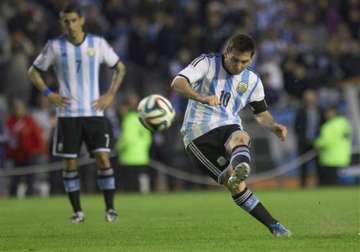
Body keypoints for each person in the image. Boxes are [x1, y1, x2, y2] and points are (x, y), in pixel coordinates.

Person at [170, 33, 291, 237]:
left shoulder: (252, 80)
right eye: (234, 60)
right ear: (227, 52)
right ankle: (235, 172)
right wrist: (201, 97)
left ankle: (275, 227)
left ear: (251, 59)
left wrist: (273, 125)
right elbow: (177, 83)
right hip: (198, 134)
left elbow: (261, 113)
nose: (238, 65)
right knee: (235, 185)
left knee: (242, 137)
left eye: (244, 61)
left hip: (228, 125)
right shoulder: (207, 63)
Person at [27, 4, 126, 223]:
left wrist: (110, 95)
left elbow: (120, 67)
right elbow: (33, 71)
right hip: (67, 114)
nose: (70, 25)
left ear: (81, 20)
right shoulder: (54, 46)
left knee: (103, 158)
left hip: (94, 113)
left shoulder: (97, 43)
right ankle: (78, 212)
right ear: (61, 23)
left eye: (73, 20)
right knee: (70, 163)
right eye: (65, 21)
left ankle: (110, 210)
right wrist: (48, 93)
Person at [115, 93, 152, 193]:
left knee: (130, 190)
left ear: (126, 107)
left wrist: (117, 148)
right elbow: (148, 139)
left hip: (129, 159)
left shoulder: (129, 119)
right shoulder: (143, 119)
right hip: (143, 157)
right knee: (142, 188)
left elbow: (127, 139)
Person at [314, 106, 352, 186]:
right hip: (343, 157)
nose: (326, 115)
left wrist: (316, 143)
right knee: (341, 184)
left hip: (330, 158)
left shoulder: (329, 126)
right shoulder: (344, 123)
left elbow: (326, 141)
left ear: (334, 113)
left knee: (329, 184)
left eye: (328, 112)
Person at [295, 89, 321, 187]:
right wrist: (301, 138)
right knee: (303, 166)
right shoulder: (301, 110)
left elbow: (323, 125)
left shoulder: (319, 110)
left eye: (311, 98)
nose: (310, 100)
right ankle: (303, 185)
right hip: (304, 142)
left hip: (318, 142)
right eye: (308, 98)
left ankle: (320, 184)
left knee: (319, 165)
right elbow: (297, 126)